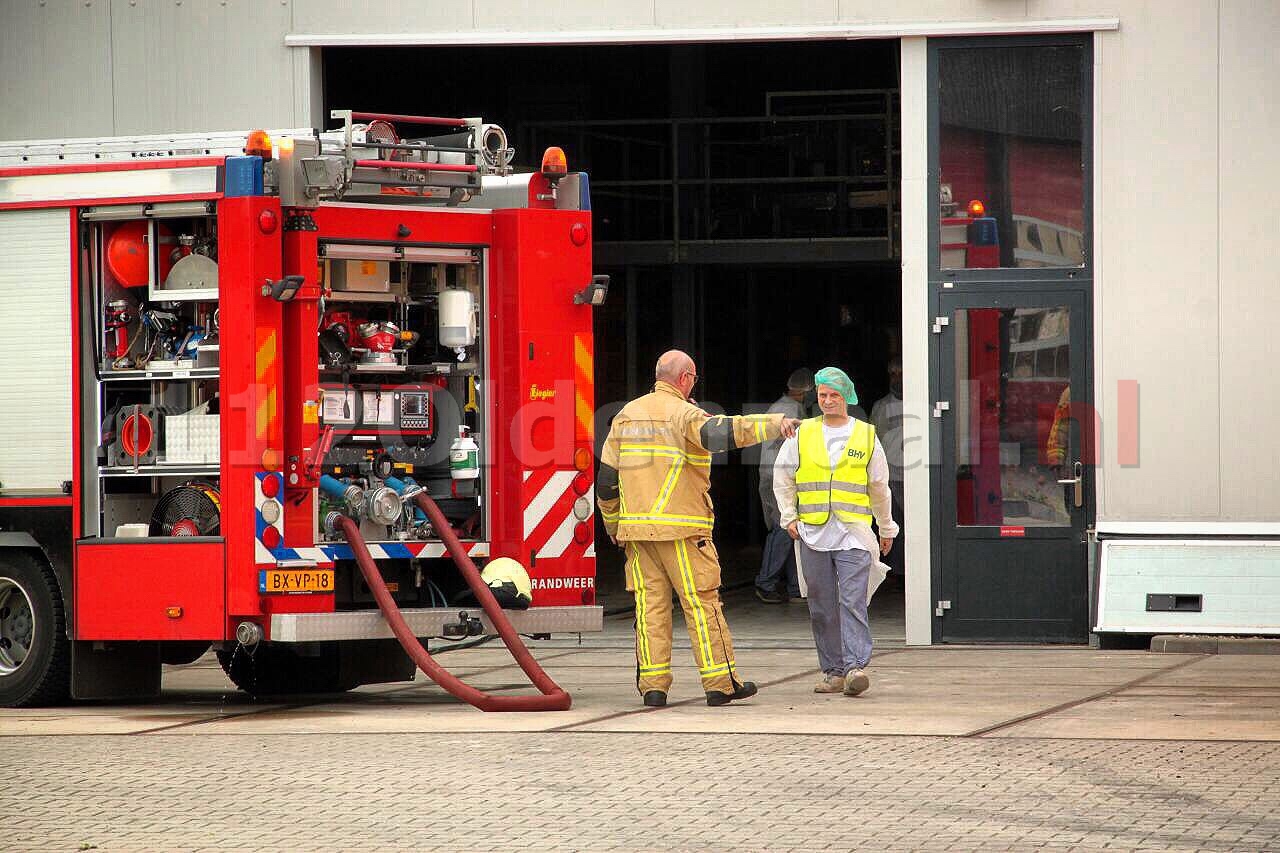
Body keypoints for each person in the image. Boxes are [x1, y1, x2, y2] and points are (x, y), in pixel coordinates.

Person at [597, 350, 801, 708]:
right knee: (701, 604)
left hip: (636, 534)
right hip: (683, 530)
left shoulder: (625, 416)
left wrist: (613, 524)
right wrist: (774, 424)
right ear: (685, 378)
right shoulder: (685, 414)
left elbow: (606, 481)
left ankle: (653, 687)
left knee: (649, 609)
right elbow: (725, 433)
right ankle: (720, 682)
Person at [774, 366, 897, 697]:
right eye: (823, 395)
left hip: (854, 532)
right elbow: (783, 476)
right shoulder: (803, 433)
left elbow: (879, 488)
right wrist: (789, 517)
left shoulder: (866, 436)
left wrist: (886, 528)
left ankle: (855, 666)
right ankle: (833, 672)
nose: (827, 401)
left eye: (834, 395)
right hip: (813, 533)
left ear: (847, 397)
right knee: (821, 605)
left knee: (852, 600)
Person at [754, 368, 814, 603]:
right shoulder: (789, 411)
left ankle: (794, 585)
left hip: (778, 475)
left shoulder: (788, 407)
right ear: (806, 391)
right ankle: (765, 582)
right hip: (778, 477)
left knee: (791, 529)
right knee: (782, 528)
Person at [869, 356, 905, 575]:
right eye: (893, 374)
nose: (897, 378)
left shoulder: (923, 401)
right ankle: (898, 571)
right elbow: (875, 442)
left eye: (901, 373)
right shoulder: (881, 406)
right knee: (893, 524)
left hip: (917, 474)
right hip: (892, 475)